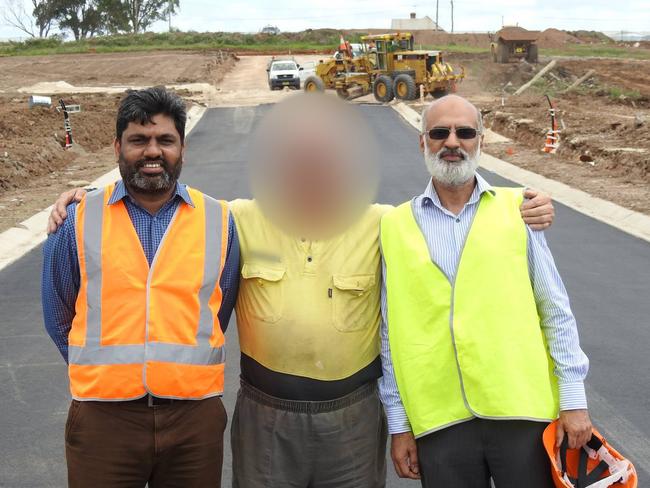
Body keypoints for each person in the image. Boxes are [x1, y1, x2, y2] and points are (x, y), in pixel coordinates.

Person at [46, 93, 556, 488]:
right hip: (264, 415)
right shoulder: (233, 220)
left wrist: (521, 205)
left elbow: (454, 217)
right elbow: (70, 310)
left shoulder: (388, 225)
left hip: (353, 418)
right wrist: (73, 202)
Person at [378, 94, 592, 488]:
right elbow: (390, 333)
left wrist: (573, 400)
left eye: (465, 132)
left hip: (521, 413)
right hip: (439, 421)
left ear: (481, 141)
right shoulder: (393, 226)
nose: (452, 142)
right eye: (439, 132)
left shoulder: (518, 209)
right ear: (422, 141)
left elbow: (555, 310)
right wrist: (399, 424)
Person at [41, 87, 240, 488]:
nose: (152, 152)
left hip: (193, 421)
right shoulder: (77, 221)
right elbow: (58, 315)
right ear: (118, 146)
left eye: (165, 140)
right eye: (138, 140)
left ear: (182, 147)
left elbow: (219, 308)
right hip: (103, 420)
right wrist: (104, 372)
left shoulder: (219, 220)